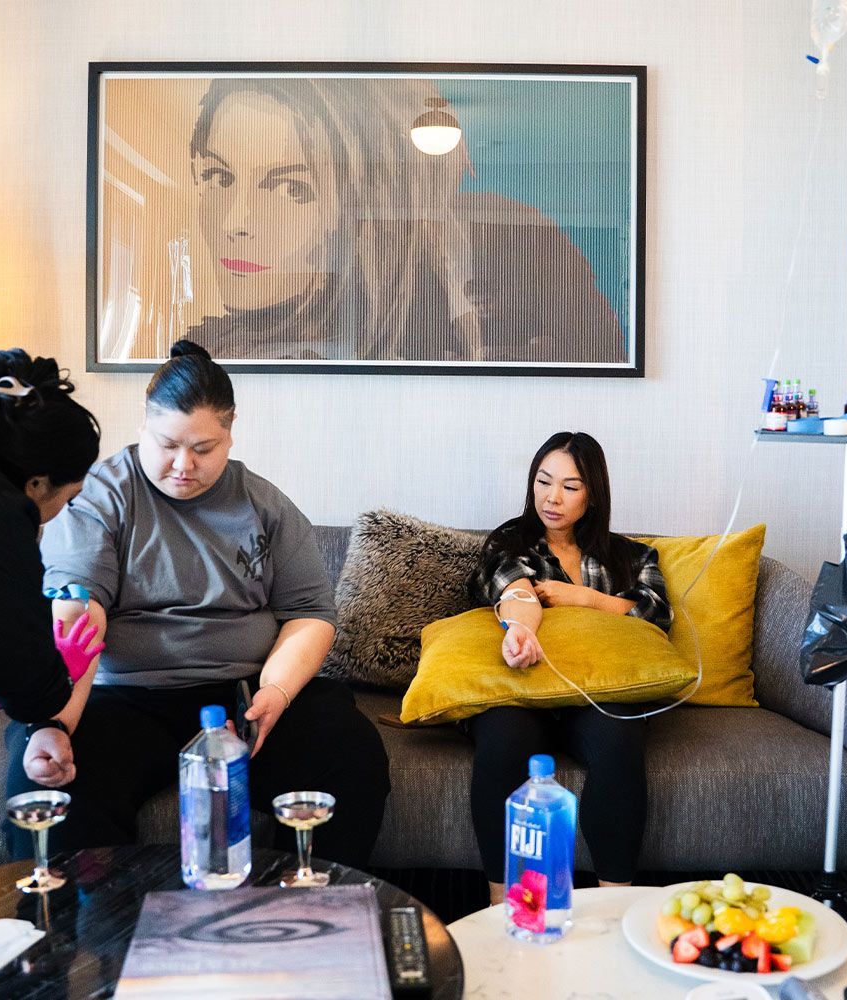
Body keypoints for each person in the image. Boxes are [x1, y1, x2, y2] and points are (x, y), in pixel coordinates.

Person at [4, 340, 390, 868]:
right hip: (126, 700)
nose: (183, 465)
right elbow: (79, 611)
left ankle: (312, 914)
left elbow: (310, 613)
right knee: (51, 781)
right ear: (144, 424)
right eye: (167, 444)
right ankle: (85, 940)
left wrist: (275, 692)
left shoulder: (264, 504)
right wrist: (57, 724)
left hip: (244, 698)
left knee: (350, 750)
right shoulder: (100, 496)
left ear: (230, 434)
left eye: (204, 449)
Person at [186, 77, 624, 364]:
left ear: (367, 207)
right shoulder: (207, 355)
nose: (235, 221)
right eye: (218, 176)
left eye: (292, 189)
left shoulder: (519, 244)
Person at [467, 431, 672, 902]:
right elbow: (514, 590)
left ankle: (614, 905)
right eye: (543, 481)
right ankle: (502, 906)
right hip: (524, 689)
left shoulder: (632, 556)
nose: (551, 497)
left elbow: (657, 616)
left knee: (621, 736)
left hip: (596, 694)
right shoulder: (510, 541)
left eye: (570, 486)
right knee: (503, 737)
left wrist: (582, 598)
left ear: (593, 493)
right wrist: (522, 629)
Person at [0, 349, 102, 789]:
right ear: (36, 484)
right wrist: (59, 675)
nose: (62, 513)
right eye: (66, 499)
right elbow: (20, 668)